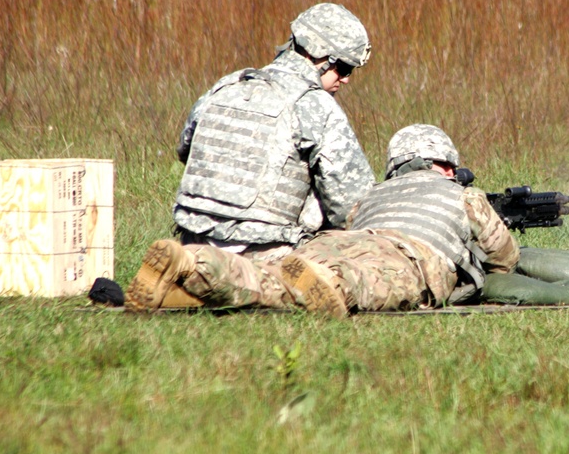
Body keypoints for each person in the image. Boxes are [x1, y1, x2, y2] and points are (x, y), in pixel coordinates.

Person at [125, 125, 519, 315]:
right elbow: (503, 255)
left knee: (273, 271)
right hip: (406, 254)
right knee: (350, 281)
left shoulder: (372, 194)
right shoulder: (461, 193)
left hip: (335, 239)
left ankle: (191, 266)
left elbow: (349, 223)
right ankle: (328, 282)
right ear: (447, 167)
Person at [171, 2, 375, 260]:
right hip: (267, 252)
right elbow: (352, 206)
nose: (345, 79)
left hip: (192, 241)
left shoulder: (226, 85)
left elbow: (185, 149)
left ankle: (193, 268)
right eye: (344, 68)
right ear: (317, 55)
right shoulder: (317, 105)